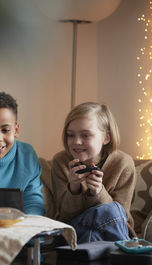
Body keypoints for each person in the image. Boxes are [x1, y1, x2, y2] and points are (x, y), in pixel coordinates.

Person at [51, 102, 136, 243]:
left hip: (107, 233)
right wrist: (74, 189)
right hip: (74, 230)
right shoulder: (61, 162)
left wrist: (98, 192)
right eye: (70, 135)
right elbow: (64, 218)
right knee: (102, 220)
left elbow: (120, 218)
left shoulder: (123, 163)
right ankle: (125, 254)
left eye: (85, 135)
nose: (76, 141)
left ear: (106, 138)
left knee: (106, 218)